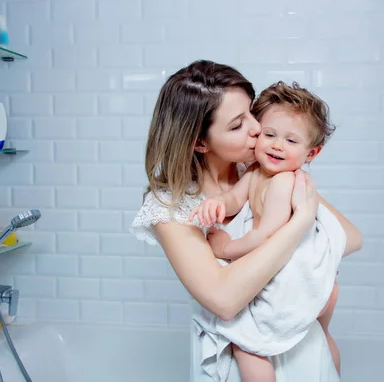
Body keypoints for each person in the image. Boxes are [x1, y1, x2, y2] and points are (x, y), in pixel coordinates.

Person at [129, 60, 362, 380]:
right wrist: (298, 224)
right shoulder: (171, 206)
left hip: (297, 335)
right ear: (200, 142)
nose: (257, 129)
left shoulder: (266, 170)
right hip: (244, 354)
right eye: (238, 124)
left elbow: (350, 237)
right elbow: (224, 300)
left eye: (252, 113)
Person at [190, 81, 340, 380]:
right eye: (269, 134)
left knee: (247, 342)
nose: (276, 145)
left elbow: (266, 235)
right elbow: (235, 199)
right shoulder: (257, 172)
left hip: (284, 271)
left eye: (291, 141)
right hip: (275, 264)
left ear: (312, 154)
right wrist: (217, 203)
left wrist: (224, 248)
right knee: (322, 335)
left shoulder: (285, 182)